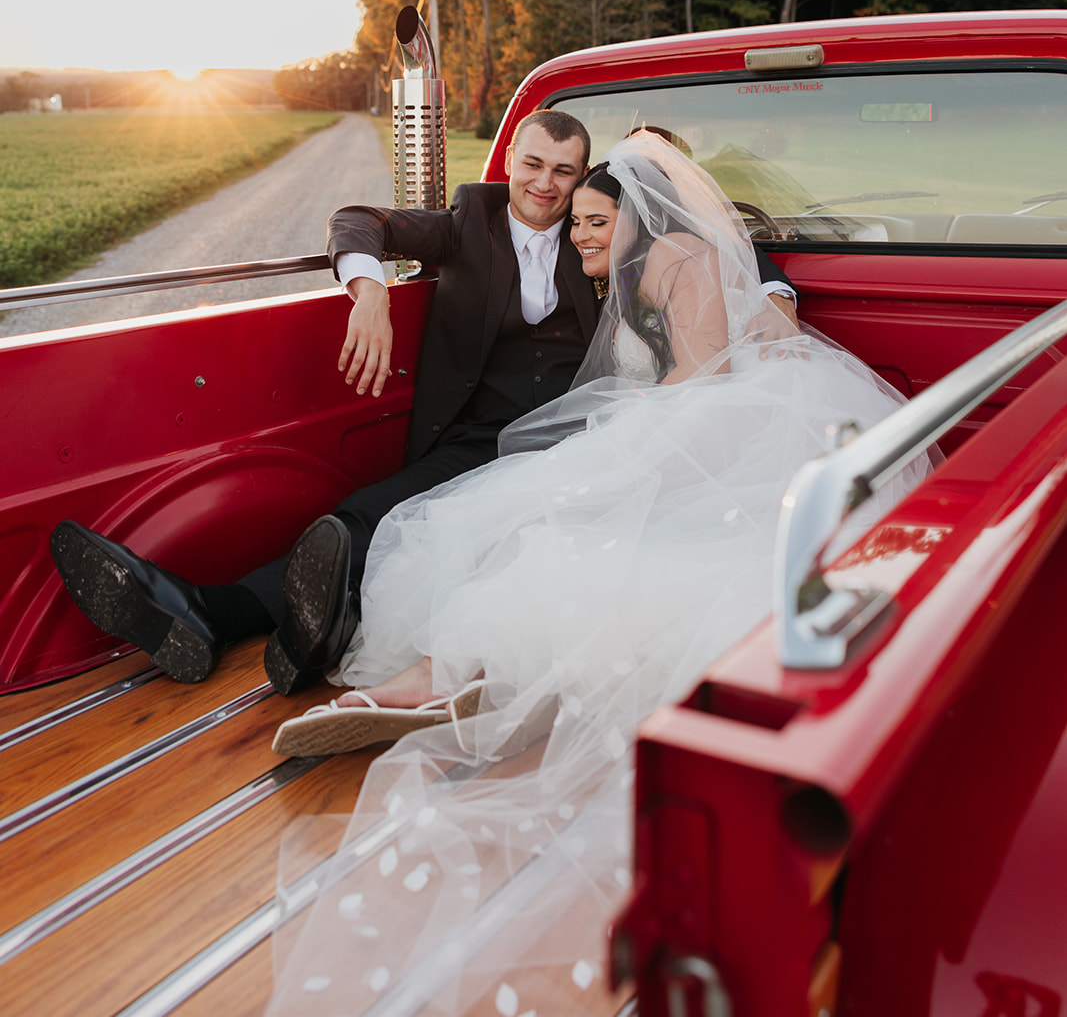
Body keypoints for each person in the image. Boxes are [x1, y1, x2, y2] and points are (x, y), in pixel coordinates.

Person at [264, 131, 931, 1017]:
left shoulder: (676, 259)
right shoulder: (621, 261)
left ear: (637, 214)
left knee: (546, 527)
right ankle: (447, 679)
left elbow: (706, 383)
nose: (580, 237)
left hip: (724, 436)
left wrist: (621, 457)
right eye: (573, 221)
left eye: (593, 221)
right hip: (691, 427)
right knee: (513, 516)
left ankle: (442, 680)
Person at [48, 111, 801, 696]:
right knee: (365, 514)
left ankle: (285, 629)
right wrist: (369, 292)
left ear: (584, 180)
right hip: (475, 435)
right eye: (533, 164)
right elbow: (358, 220)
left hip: (577, 436)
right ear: (511, 159)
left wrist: (775, 293)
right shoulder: (467, 222)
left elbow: (708, 233)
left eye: (563, 173)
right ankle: (211, 612)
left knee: (403, 528)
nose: (545, 185)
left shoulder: (598, 229)